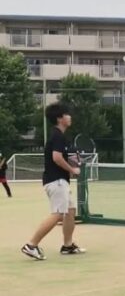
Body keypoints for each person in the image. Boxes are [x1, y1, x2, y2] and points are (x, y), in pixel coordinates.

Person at [21, 103, 86, 261]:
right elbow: (56, 158)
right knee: (58, 214)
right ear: (59, 118)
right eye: (67, 114)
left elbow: (61, 157)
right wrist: (72, 170)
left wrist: (72, 165)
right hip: (56, 181)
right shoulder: (57, 136)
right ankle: (31, 245)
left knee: (70, 211)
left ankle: (67, 245)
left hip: (60, 180)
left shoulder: (60, 136)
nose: (70, 117)